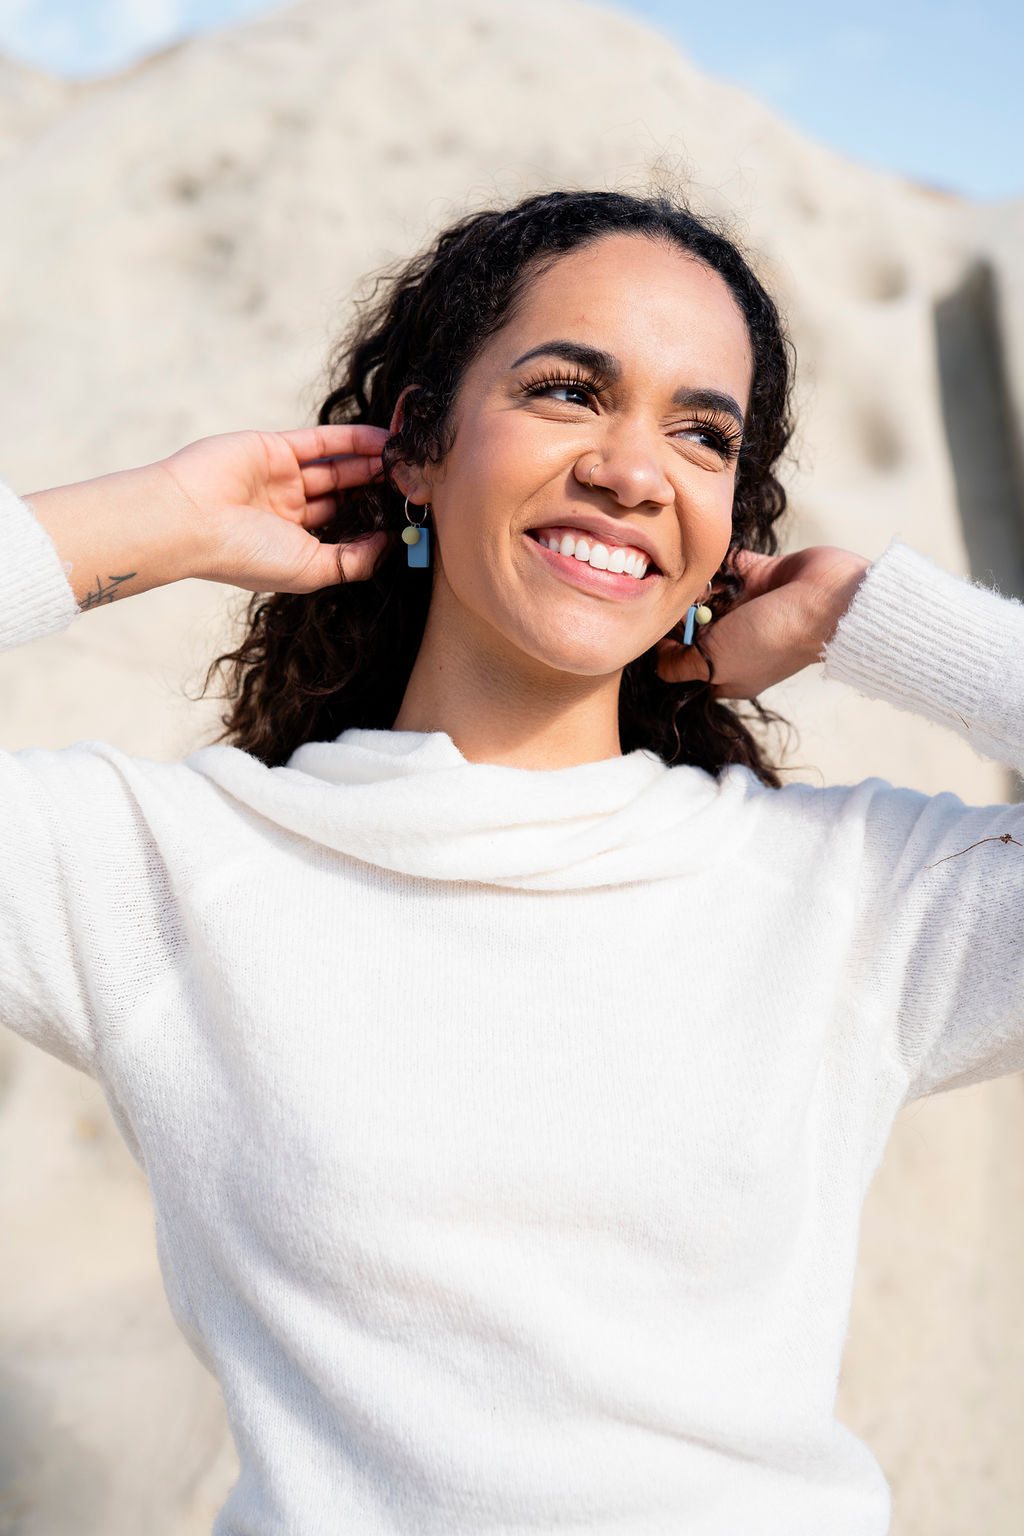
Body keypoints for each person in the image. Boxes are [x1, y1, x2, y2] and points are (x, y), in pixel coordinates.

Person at [1, 189, 1022, 1535]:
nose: (633, 468)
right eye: (567, 393)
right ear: (417, 447)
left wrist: (879, 618)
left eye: (701, 433)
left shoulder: (851, 899)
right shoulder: (164, 873)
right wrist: (146, 525)